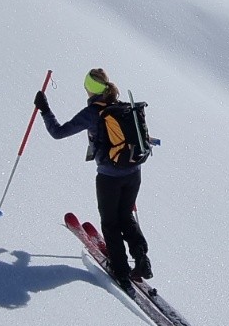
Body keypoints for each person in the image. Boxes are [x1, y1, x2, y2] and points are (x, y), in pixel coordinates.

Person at [35, 68, 151, 291]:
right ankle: (142, 260)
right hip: (134, 172)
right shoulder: (123, 107)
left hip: (109, 177)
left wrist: (44, 109)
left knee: (110, 222)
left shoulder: (92, 114)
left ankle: (120, 269)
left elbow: (58, 132)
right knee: (125, 217)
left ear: (90, 89)